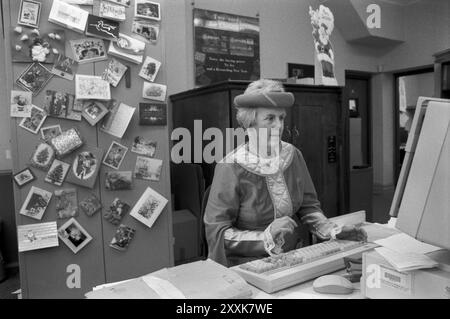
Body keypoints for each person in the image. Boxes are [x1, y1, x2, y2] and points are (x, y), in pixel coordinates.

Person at [204, 79, 367, 267]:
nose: (279, 126)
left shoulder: (293, 155)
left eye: (281, 118)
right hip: (248, 265)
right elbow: (217, 232)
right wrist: (265, 237)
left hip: (294, 257)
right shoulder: (230, 166)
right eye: (270, 118)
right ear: (250, 122)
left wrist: (332, 231)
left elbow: (309, 207)